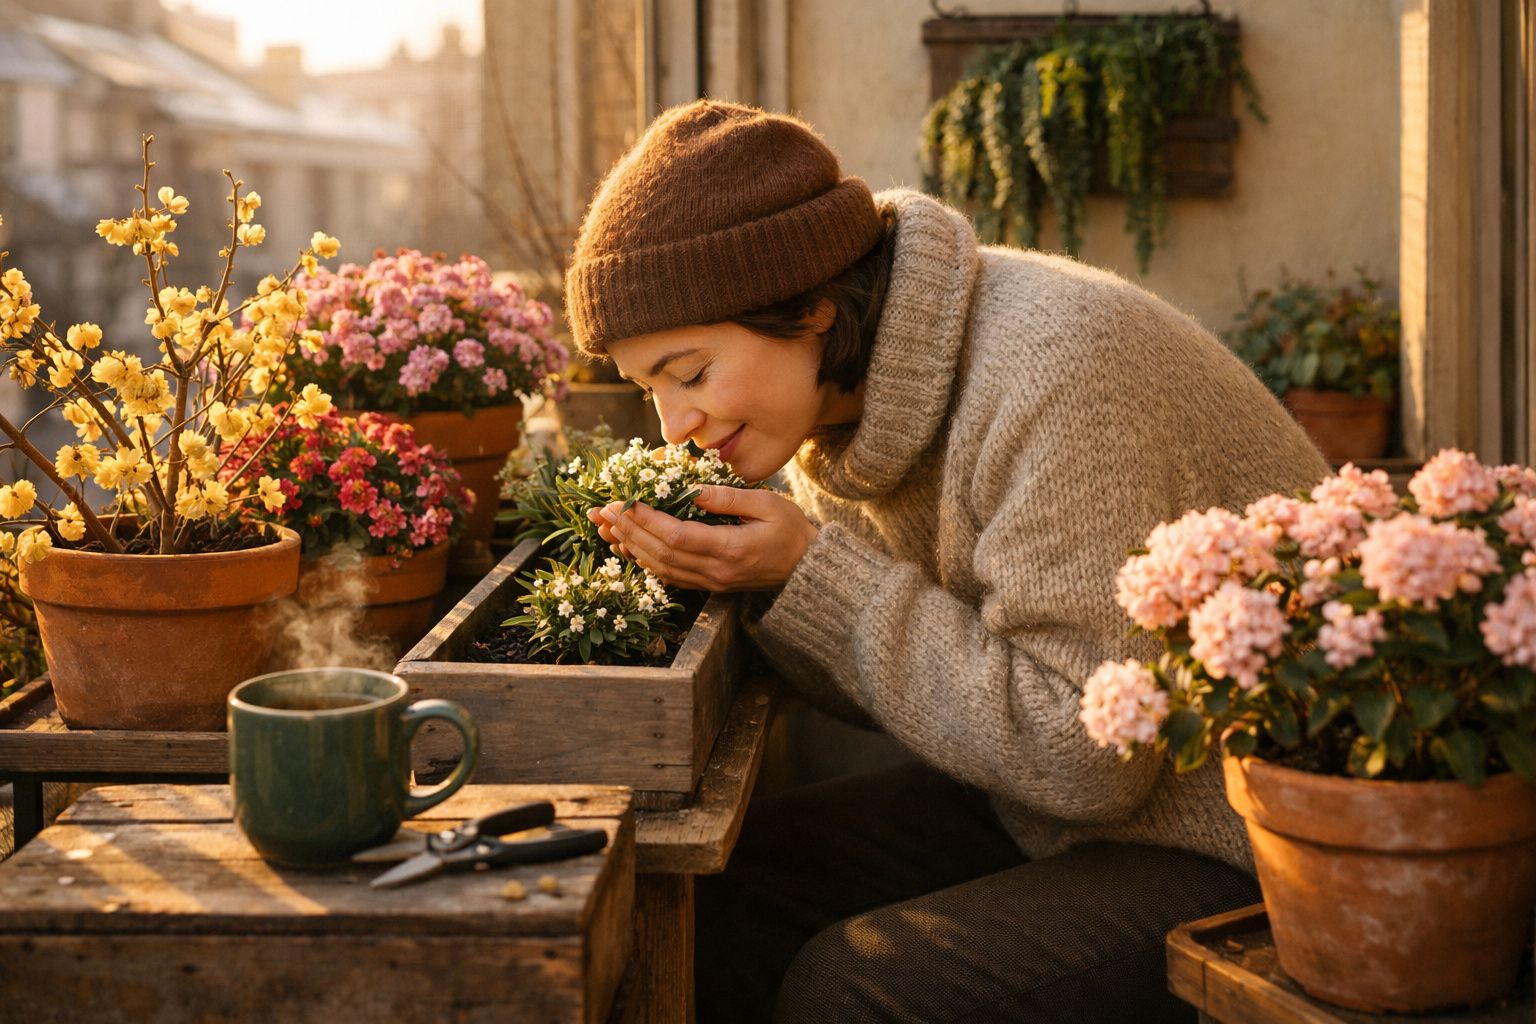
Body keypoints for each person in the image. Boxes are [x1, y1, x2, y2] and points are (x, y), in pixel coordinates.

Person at [565, 99, 1329, 1023]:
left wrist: (811, 575)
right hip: (1045, 811)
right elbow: (890, 683)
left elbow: (1088, 758)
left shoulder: (1054, 373)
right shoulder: (834, 406)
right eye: (651, 391)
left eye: (689, 375)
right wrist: (744, 577)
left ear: (808, 303)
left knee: (858, 988)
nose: (675, 427)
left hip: (1248, 845)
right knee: (704, 896)